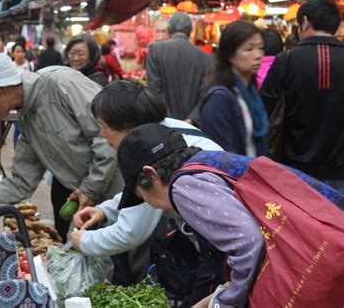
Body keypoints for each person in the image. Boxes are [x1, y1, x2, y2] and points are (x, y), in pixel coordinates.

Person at [115, 123, 343, 308]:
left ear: (151, 174)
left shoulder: (182, 186)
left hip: (314, 277)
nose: (151, 205)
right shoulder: (208, 162)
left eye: (142, 195)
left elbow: (248, 241)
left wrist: (226, 302)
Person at [0, 54, 123, 242]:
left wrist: (90, 188)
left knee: (137, 264)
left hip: (127, 193)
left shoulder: (60, 84)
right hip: (96, 207)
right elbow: (22, 181)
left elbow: (107, 134)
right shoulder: (28, 120)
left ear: (1, 90)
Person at [69, 80, 223, 288]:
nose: (103, 135)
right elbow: (140, 193)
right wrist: (105, 210)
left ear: (127, 127)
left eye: (104, 127)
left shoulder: (154, 152)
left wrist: (84, 242)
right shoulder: (167, 129)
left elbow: (131, 232)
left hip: (223, 245)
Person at [261, 0, 344, 191]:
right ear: (336, 25)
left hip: (295, 169)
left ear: (304, 22)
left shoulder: (287, 60)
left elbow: (265, 107)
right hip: (340, 170)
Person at [200, 21, 268, 157]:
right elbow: (222, 155)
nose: (258, 55)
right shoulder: (219, 99)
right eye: (249, 49)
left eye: (260, 48)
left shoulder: (251, 91)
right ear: (230, 55)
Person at [146, 12, 212, 124]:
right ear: (190, 32)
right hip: (194, 128)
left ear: (168, 30)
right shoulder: (206, 58)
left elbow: (154, 91)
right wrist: (190, 120)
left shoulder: (155, 50)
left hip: (165, 124)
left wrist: (172, 120)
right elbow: (206, 95)